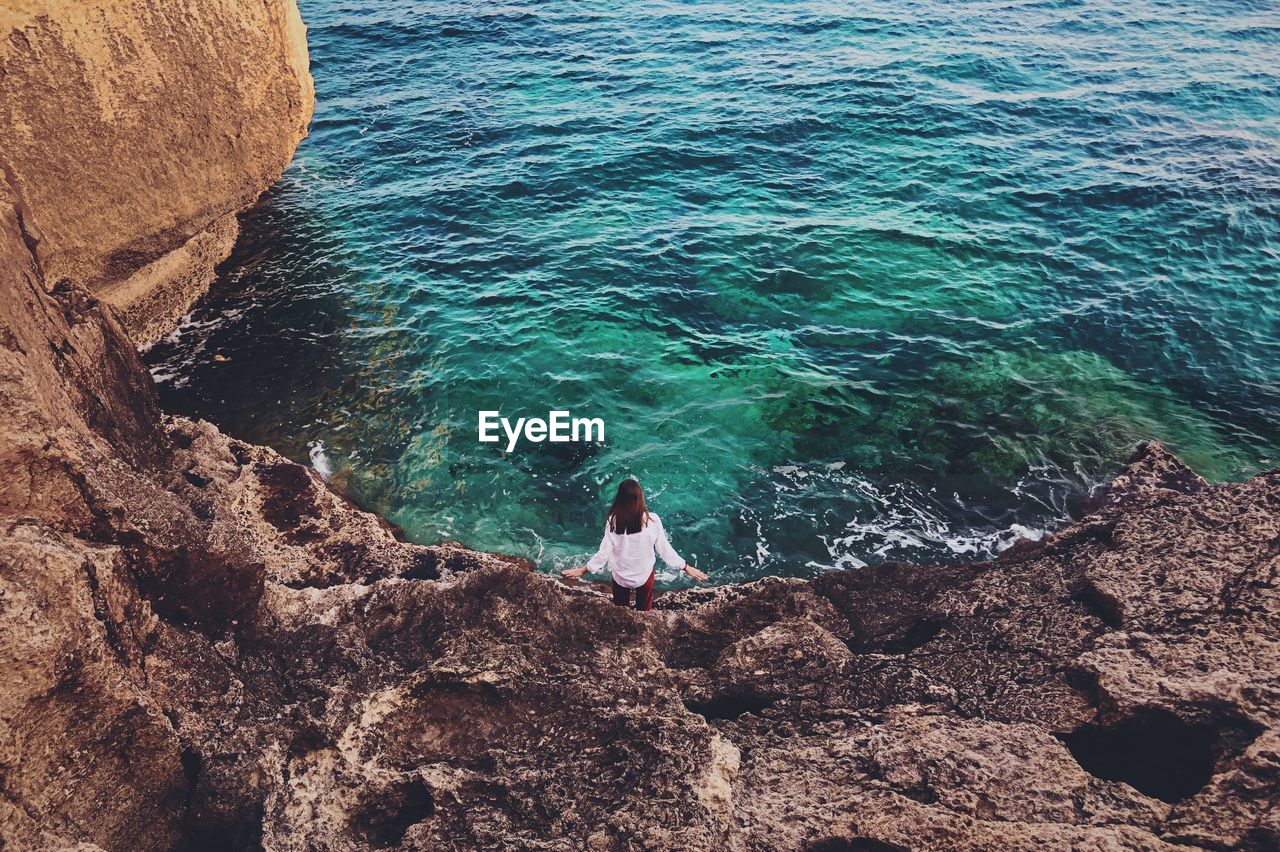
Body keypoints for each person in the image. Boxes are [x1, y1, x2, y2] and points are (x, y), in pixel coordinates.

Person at [562, 479, 708, 610]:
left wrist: (583, 570)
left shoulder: (613, 521)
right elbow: (664, 550)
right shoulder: (653, 521)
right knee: (644, 611)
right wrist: (686, 568)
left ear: (619, 498)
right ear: (640, 498)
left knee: (620, 609)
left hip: (621, 577)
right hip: (643, 576)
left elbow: (603, 553)